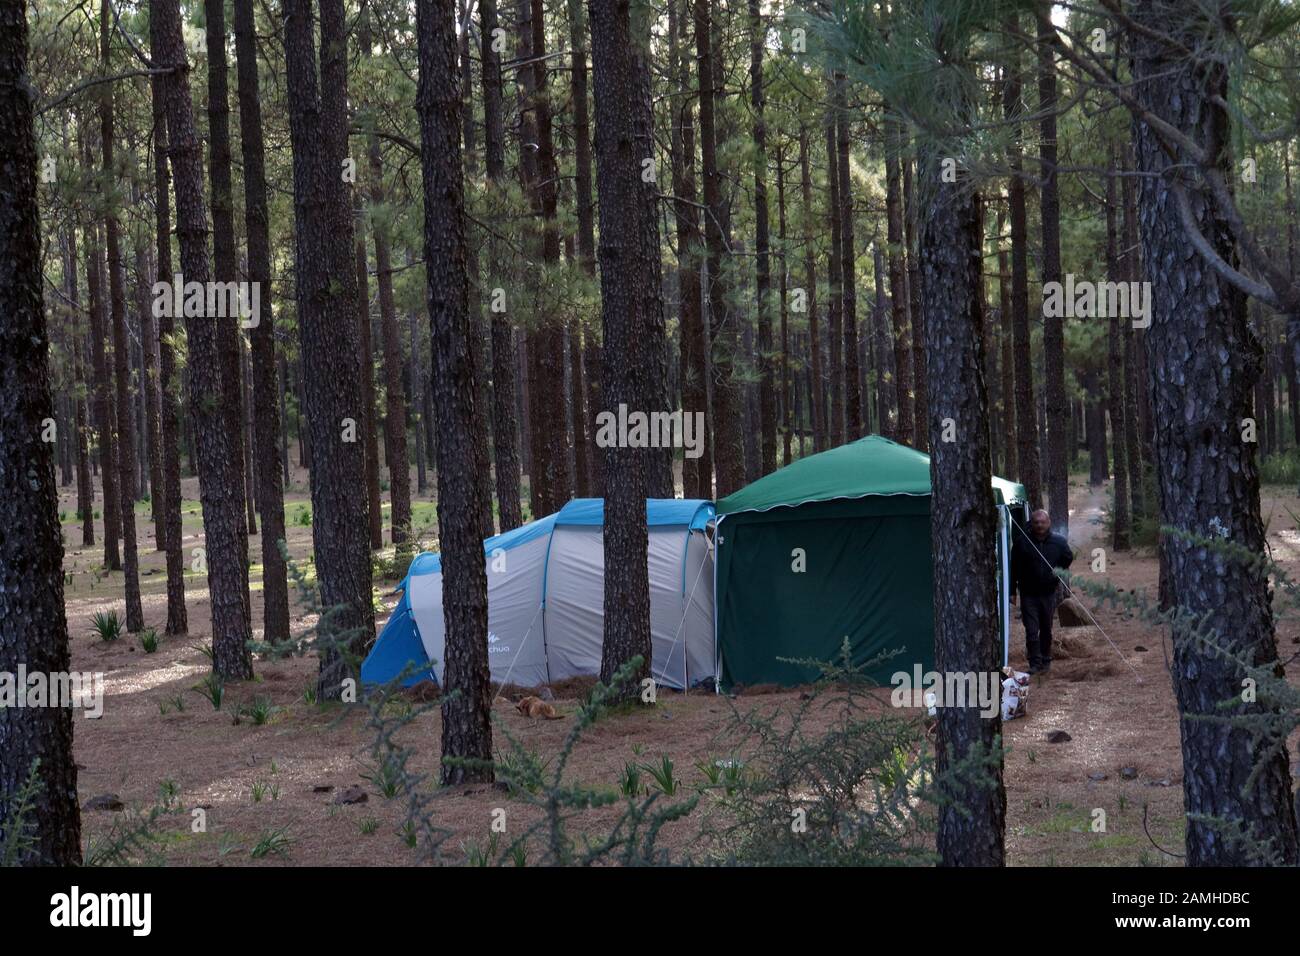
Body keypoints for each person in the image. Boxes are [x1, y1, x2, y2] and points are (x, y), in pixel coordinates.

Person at [1009, 508, 1073, 674]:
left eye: (1042, 522)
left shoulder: (1058, 542)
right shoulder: (1022, 542)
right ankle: (1034, 663)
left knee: (1046, 628)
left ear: (1048, 523)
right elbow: (1013, 567)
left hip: (1048, 592)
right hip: (1028, 593)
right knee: (1031, 630)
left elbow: (1068, 558)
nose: (1039, 525)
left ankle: (1046, 660)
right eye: (1036, 522)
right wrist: (1012, 591)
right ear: (1032, 523)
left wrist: (1057, 573)